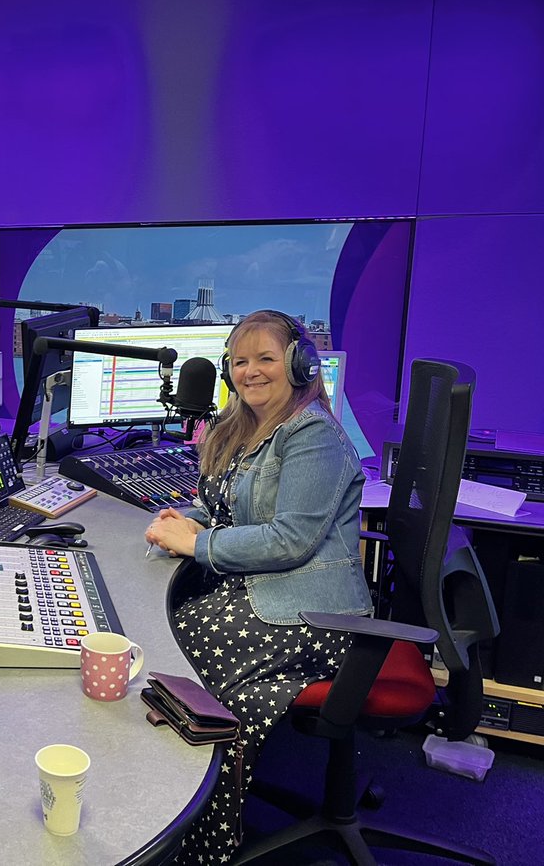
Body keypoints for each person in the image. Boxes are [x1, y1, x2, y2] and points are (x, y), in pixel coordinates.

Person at [143, 309, 371, 864]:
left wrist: (197, 545)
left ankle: (200, 838)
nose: (251, 372)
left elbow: (290, 538)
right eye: (240, 361)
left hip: (316, 615)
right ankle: (178, 810)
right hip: (267, 594)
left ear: (297, 364)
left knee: (184, 661)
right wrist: (188, 516)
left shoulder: (313, 433)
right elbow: (231, 506)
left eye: (266, 358)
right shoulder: (245, 427)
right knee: (170, 641)